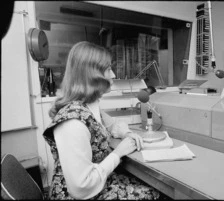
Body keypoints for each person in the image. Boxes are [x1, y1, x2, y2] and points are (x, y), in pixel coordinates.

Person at [43, 41, 163, 200]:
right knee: (153, 194)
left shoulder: (87, 107)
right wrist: (118, 153)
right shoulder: (72, 122)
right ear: (92, 74)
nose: (113, 75)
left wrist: (127, 133)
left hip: (94, 182)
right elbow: (81, 188)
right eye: (108, 69)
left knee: (149, 187)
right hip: (78, 195)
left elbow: (112, 125)